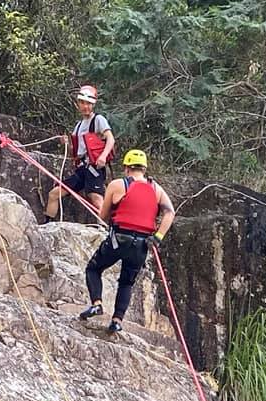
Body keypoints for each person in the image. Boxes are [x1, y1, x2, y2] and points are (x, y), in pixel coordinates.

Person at [81, 149, 175, 335]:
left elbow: (103, 215)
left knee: (93, 268)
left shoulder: (117, 185)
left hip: (119, 240)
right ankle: (116, 321)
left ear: (126, 168)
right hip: (142, 244)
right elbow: (170, 212)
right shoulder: (156, 189)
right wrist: (158, 237)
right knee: (126, 282)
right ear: (144, 168)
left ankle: (97, 304)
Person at [47, 84, 114, 221]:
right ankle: (46, 225)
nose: (85, 107)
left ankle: (104, 230)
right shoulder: (78, 126)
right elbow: (76, 151)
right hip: (81, 168)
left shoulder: (98, 120)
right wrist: (65, 143)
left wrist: (102, 156)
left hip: (94, 167)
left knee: (96, 199)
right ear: (78, 104)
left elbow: (110, 139)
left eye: (89, 104)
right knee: (54, 194)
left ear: (93, 105)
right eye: (83, 103)